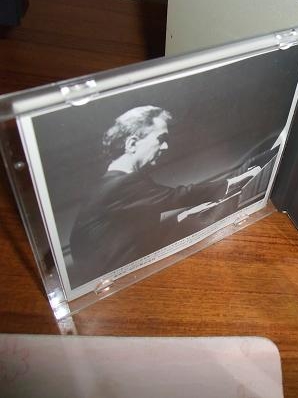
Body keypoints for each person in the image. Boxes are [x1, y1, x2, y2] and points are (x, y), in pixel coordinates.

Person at [68, 105, 259, 288]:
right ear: (132, 143)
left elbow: (134, 233)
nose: (166, 146)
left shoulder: (109, 184)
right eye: (161, 138)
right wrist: (234, 182)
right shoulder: (122, 184)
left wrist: (181, 217)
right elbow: (179, 196)